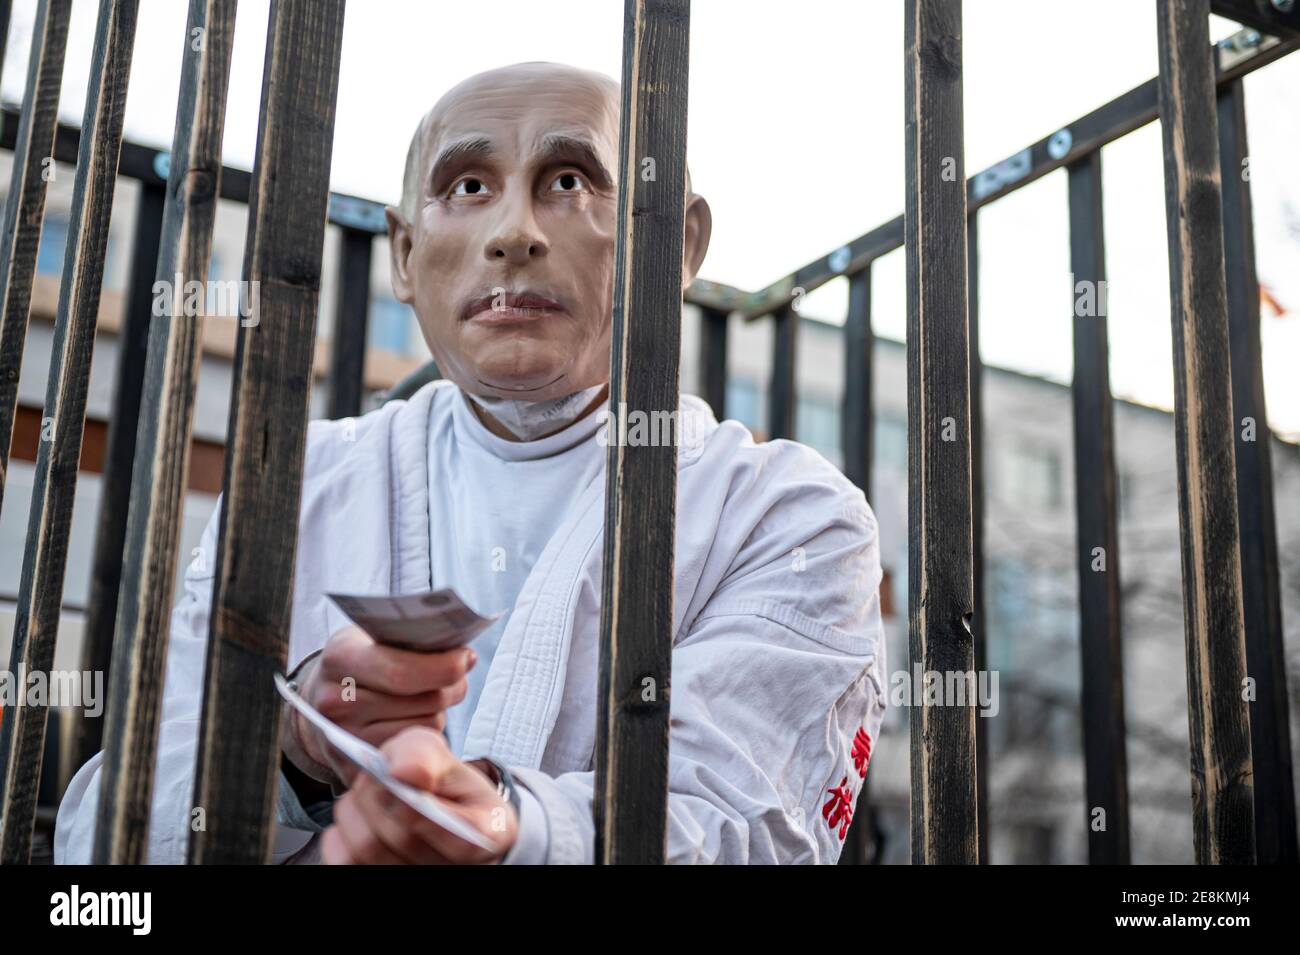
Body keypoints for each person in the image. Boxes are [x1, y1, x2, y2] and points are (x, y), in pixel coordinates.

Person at [55, 61, 886, 865]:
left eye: (568, 181)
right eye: (468, 187)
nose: (514, 234)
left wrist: (500, 825)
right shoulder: (298, 483)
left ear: (676, 242)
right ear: (406, 254)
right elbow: (101, 832)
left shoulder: (789, 519)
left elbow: (746, 830)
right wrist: (291, 745)